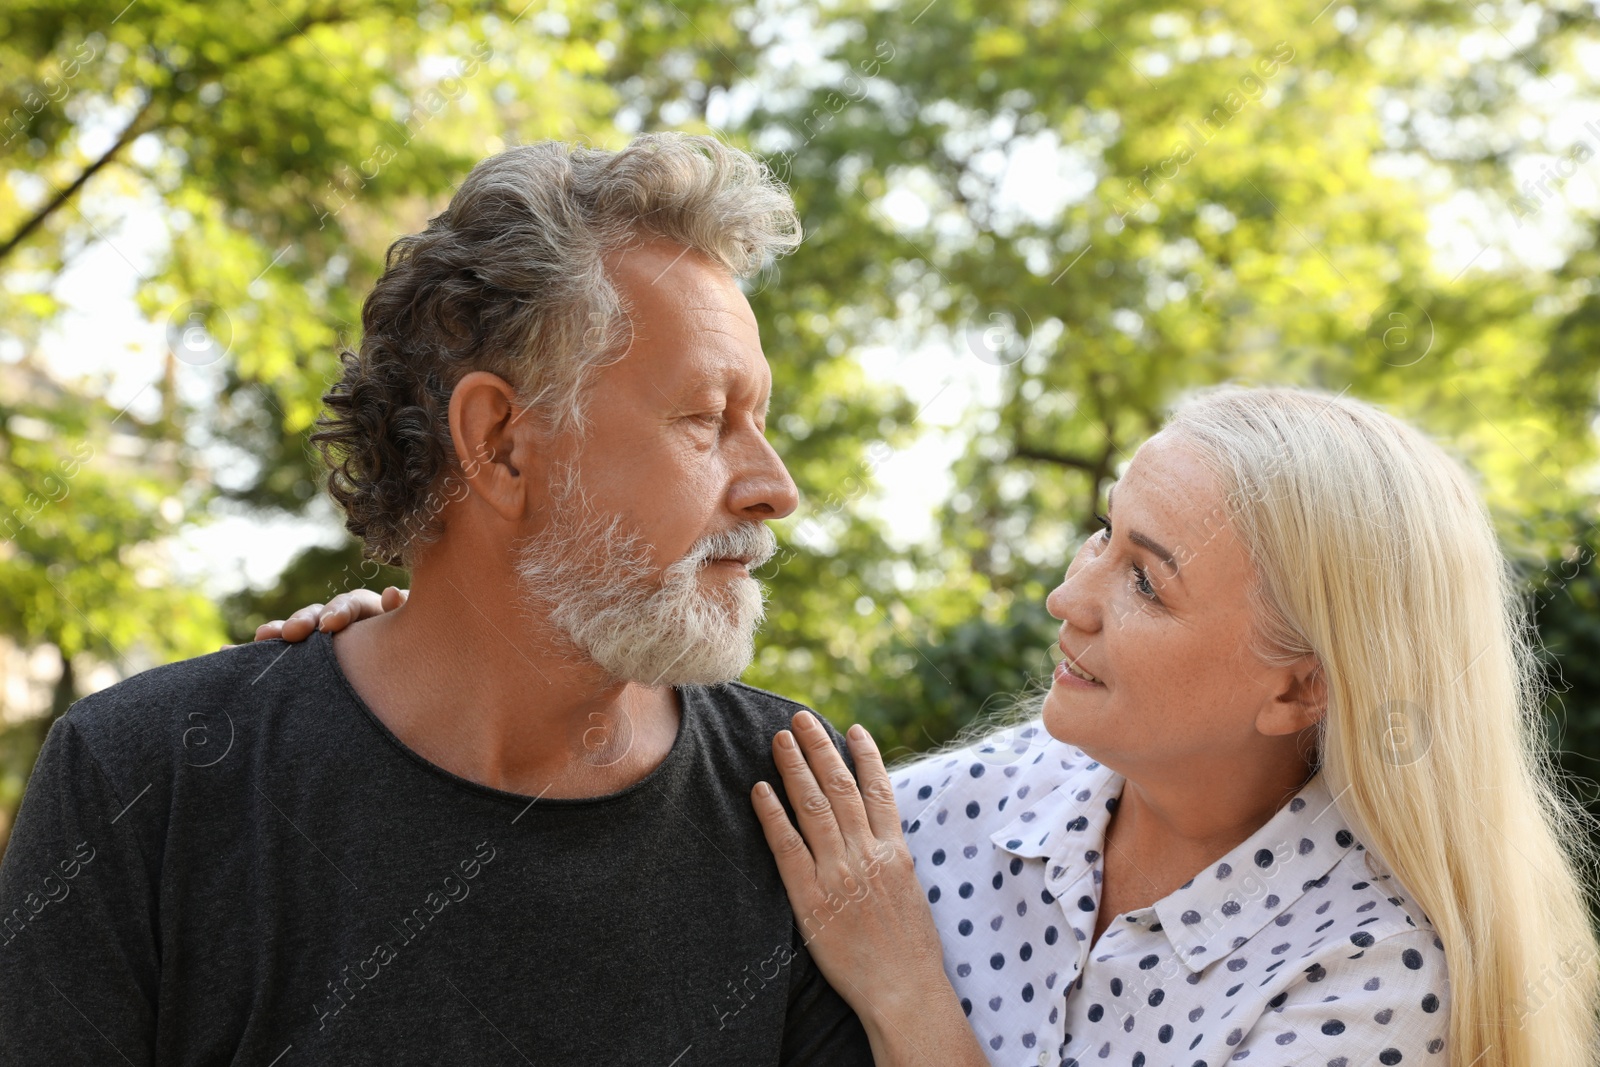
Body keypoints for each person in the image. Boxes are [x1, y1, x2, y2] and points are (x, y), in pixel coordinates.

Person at [278, 387, 1600, 1067]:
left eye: (1146, 577)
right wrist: (452, 657)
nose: (1066, 597)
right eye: (1101, 531)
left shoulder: (1369, 977)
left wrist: (912, 996)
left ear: (1300, 689)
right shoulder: (970, 812)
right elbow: (641, 813)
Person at [0, 134, 880, 1064]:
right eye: (706, 417)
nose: (775, 486)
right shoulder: (144, 782)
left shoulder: (802, 804)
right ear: (500, 441)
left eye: (760, 422)